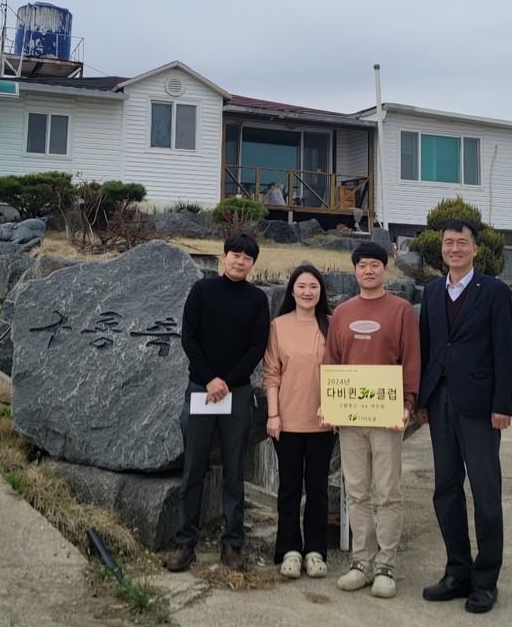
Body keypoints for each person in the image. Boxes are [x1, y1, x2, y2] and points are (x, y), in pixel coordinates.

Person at [417, 219, 512, 614]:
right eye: (448, 242)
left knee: (486, 494)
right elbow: (428, 347)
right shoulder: (433, 290)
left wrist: (502, 405)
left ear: (475, 249)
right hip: (440, 402)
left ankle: (486, 580)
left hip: (479, 406)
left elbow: (503, 351)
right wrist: (421, 398)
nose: (454, 248)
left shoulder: (493, 291)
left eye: (462, 242)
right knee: (446, 490)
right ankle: (457, 572)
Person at [166, 232, 270, 573]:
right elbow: (189, 337)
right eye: (235, 254)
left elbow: (257, 347)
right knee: (193, 467)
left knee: (234, 470)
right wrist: (210, 378)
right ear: (223, 256)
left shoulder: (257, 300)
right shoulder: (202, 290)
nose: (240, 261)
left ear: (253, 263)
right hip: (201, 388)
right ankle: (185, 542)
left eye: (247, 257)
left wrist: (227, 381)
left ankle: (232, 544)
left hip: (237, 392)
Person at [323, 242, 421, 599]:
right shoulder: (343, 313)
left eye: (375, 265)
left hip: (387, 416)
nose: (368, 270)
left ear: (385, 270)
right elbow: (331, 363)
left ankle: (386, 565)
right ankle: (361, 562)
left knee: (387, 492)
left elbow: (411, 361)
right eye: (362, 265)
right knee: (357, 492)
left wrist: (408, 403)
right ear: (355, 271)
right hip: (349, 418)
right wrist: (329, 405)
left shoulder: (401, 311)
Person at [263, 265, 336, 579]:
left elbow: (342, 371)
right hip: (287, 422)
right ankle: (289, 549)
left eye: (314, 286)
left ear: (321, 292)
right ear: (292, 290)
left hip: (324, 423)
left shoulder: (332, 325)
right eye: (302, 286)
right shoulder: (278, 326)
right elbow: (271, 374)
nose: (308, 292)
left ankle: (316, 551)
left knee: (319, 488)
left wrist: (335, 409)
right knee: (289, 488)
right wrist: (273, 414)